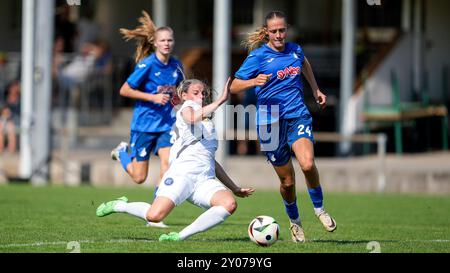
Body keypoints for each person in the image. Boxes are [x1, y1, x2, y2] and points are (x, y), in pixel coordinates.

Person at [96, 78, 254, 242]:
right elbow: (191, 118)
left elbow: (211, 161)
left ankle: (180, 236)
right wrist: (220, 100)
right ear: (184, 95)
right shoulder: (187, 108)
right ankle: (120, 205)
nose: (201, 96)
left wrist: (234, 187)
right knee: (154, 216)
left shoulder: (207, 124)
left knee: (229, 203)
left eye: (203, 93)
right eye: (196, 93)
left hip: (204, 179)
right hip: (182, 175)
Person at [230, 11, 337, 243]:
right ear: (267, 32)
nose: (279, 35)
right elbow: (234, 86)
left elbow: (304, 62)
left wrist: (315, 88)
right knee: (287, 182)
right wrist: (252, 81)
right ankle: (295, 222)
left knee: (307, 164)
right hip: (269, 124)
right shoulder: (258, 57)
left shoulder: (295, 50)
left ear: (286, 29)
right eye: (274, 31)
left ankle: (319, 209)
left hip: (297, 115)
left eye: (282, 30)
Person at [111, 11, 184, 227]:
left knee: (168, 166)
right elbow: (125, 90)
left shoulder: (176, 65)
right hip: (144, 126)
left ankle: (154, 215)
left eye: (170, 40)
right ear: (154, 43)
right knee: (139, 177)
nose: (167, 43)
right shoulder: (147, 65)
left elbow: (179, 92)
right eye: (163, 40)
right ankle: (122, 153)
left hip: (166, 127)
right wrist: (152, 97)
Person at [0, 81, 20, 154]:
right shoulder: (5, 99)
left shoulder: (21, 100)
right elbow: (3, 111)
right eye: (12, 87)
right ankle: (0, 149)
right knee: (1, 127)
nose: (13, 89)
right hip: (6, 120)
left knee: (10, 127)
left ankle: (11, 150)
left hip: (16, 120)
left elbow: (19, 114)